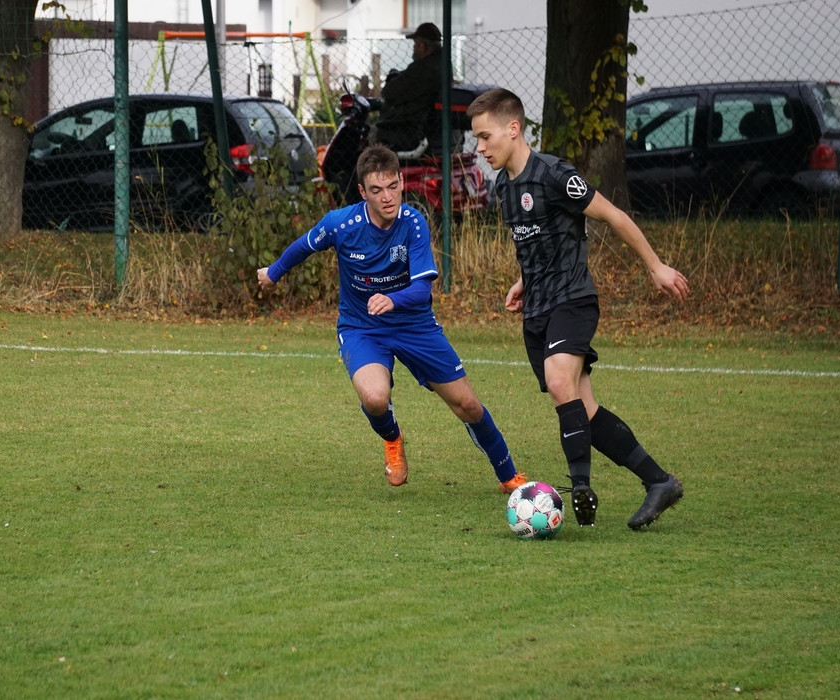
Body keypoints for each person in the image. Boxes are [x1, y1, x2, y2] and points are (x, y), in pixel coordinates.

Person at [466, 88, 690, 530]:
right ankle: (659, 481)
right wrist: (523, 281)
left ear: (513, 129)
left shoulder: (555, 175)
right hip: (538, 309)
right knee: (582, 408)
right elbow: (533, 241)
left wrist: (656, 266)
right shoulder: (504, 187)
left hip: (573, 298)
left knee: (558, 381)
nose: (480, 148)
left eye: (485, 136)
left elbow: (614, 216)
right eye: (477, 139)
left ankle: (581, 486)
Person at [257, 143, 528, 493]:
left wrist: (392, 299)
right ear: (362, 192)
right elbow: (304, 246)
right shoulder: (342, 224)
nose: (387, 197)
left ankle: (509, 477)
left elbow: (422, 290)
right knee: (375, 399)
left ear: (401, 181)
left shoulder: (413, 223)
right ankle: (392, 437)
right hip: (362, 328)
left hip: (415, 325)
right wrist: (273, 273)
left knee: (468, 405)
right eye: (376, 190)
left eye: (392, 186)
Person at [371, 22, 443, 152]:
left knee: (374, 137)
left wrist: (394, 80)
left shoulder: (423, 68)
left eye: (415, 44)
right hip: (429, 126)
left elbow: (389, 93)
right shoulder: (442, 64)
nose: (414, 48)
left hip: (410, 129)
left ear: (422, 46)